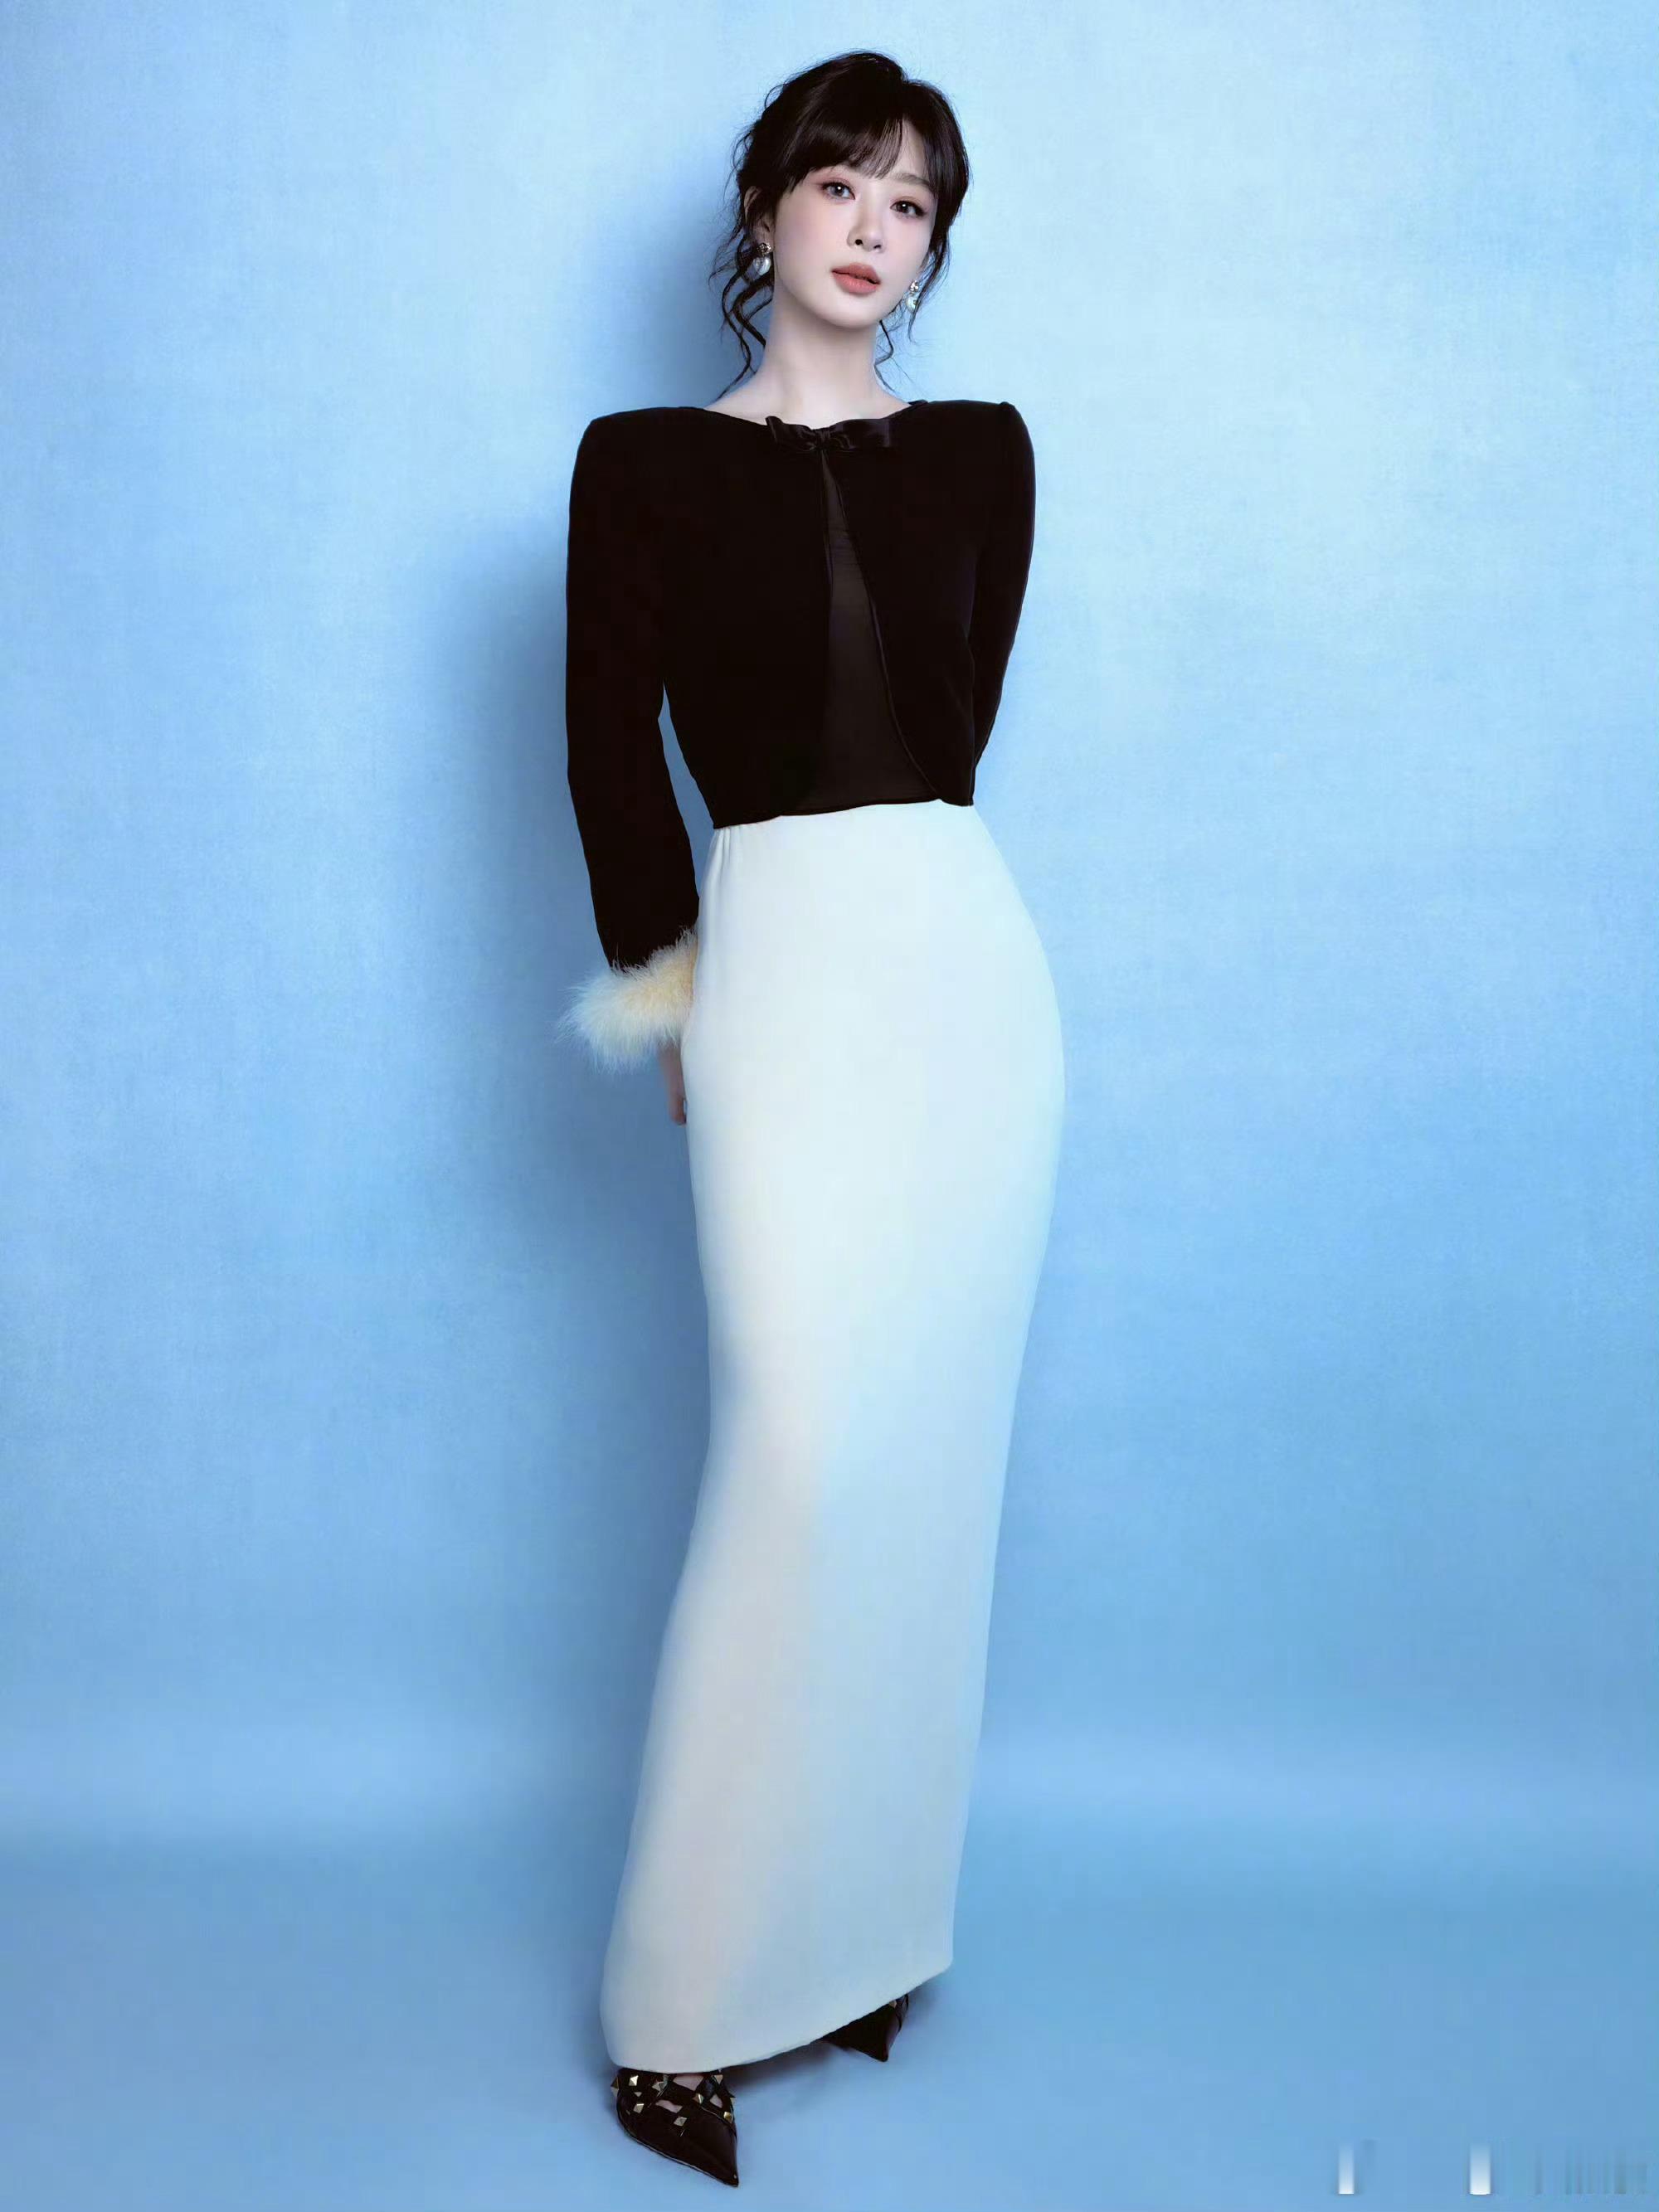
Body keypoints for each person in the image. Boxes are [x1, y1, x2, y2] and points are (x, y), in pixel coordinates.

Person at [558, 50, 1065, 2188]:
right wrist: (672, 988)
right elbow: (610, 753)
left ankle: (860, 1942)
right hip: (773, 955)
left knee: (928, 1467)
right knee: (799, 1443)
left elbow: (960, 728)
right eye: (843, 184)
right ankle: (678, 2007)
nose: (874, 227)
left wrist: (902, 912)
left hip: (966, 971)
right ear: (766, 208)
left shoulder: (986, 454)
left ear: (933, 250)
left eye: (913, 202)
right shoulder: (643, 466)